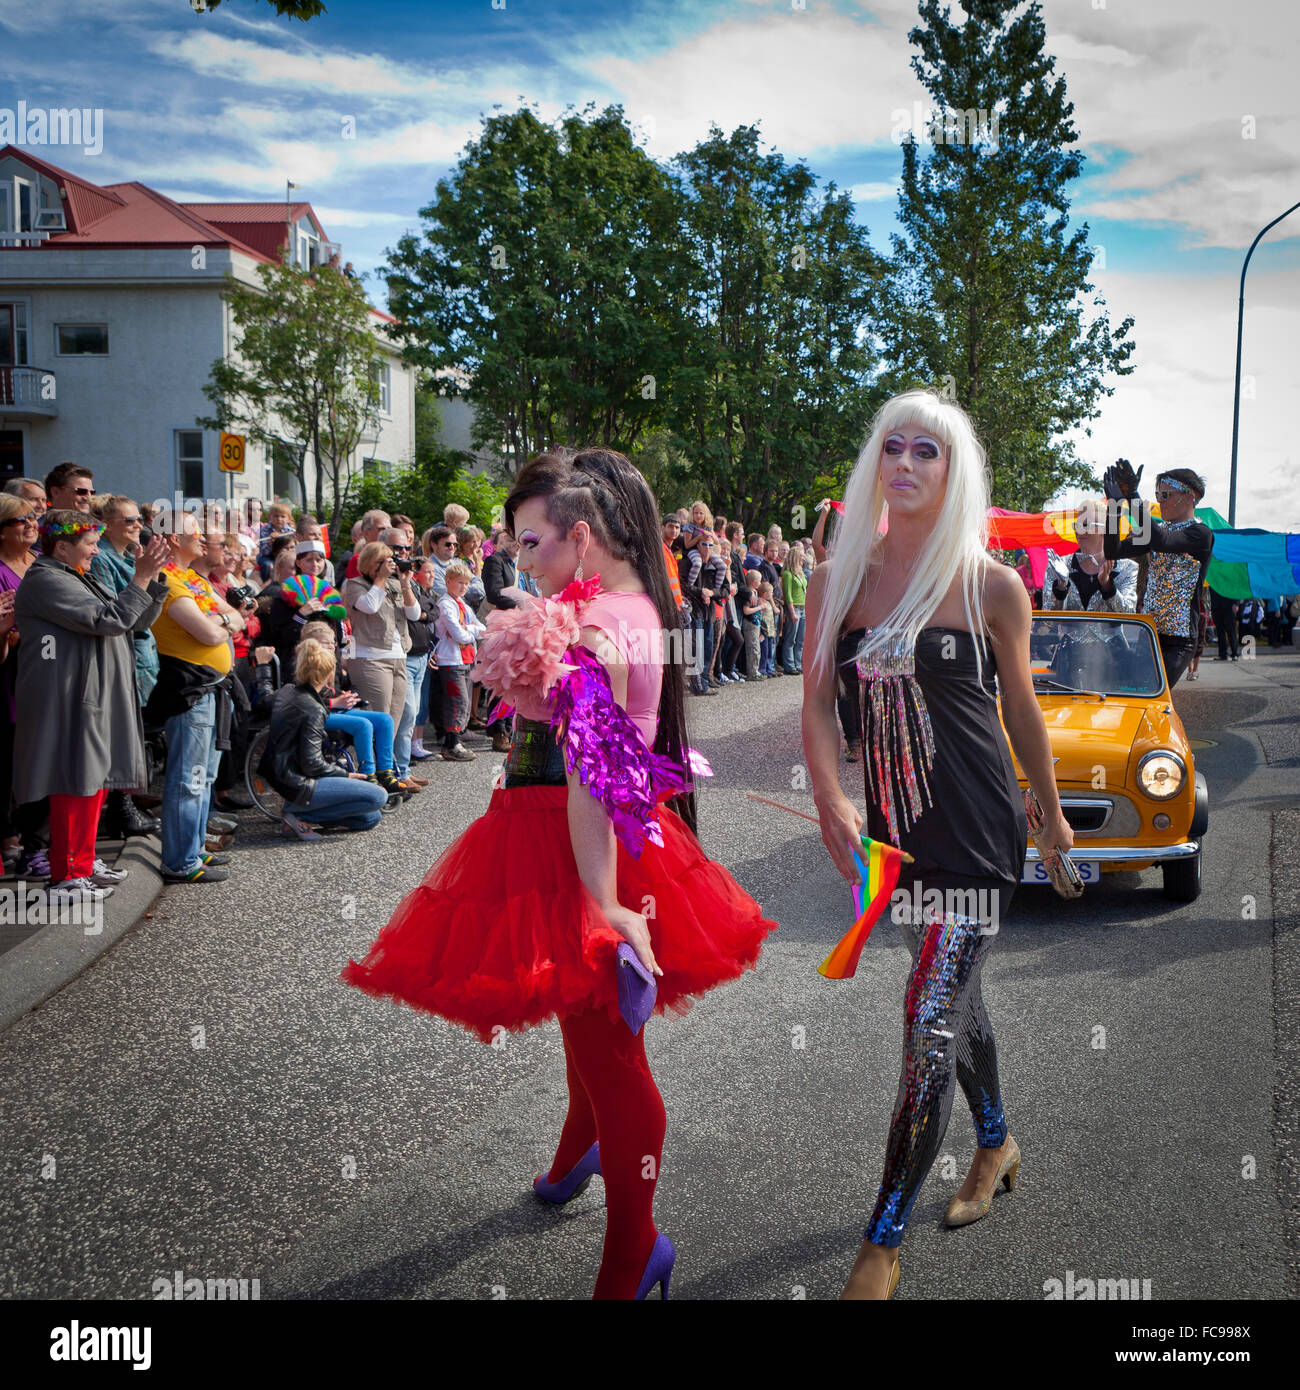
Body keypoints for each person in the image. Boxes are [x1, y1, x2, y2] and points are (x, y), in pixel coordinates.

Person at [341, 446, 778, 1299]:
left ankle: (635, 1254)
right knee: (592, 1026)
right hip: (585, 833)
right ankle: (578, 1149)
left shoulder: (595, 625)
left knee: (611, 1052)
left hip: (583, 845)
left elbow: (595, 781)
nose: (521, 558)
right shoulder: (629, 602)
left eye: (534, 541)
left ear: (583, 536)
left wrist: (606, 903)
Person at [802, 389, 1071, 1300]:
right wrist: (834, 796)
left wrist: (1053, 809)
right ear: (874, 465)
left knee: (926, 1024)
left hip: (979, 832)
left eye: (929, 451)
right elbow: (814, 704)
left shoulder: (989, 583)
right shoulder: (836, 579)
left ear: (954, 472)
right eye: (893, 448)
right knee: (951, 1001)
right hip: (898, 841)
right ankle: (996, 1143)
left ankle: (881, 1246)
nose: (907, 464)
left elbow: (1019, 708)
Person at [13, 511, 171, 899]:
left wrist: (153, 580)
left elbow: (135, 621)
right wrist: (140, 576)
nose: (95, 550)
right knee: (75, 781)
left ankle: (82, 863)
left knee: (93, 781)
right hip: (68, 698)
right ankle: (66, 875)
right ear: (62, 547)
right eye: (88, 543)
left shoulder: (77, 576)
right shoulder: (47, 579)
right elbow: (109, 620)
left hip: (94, 695)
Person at [145, 512, 246, 884]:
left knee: (205, 778)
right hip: (192, 692)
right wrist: (222, 625)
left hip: (214, 690)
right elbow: (209, 631)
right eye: (195, 533)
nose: (203, 538)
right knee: (189, 778)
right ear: (172, 538)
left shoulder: (192, 579)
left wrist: (222, 624)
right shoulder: (168, 579)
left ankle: (194, 850)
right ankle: (179, 861)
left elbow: (234, 616)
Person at [1078, 462, 1215, 687]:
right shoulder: (1158, 531)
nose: (1159, 501)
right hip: (1149, 633)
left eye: (1166, 494)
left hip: (1179, 641)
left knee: (1153, 694)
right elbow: (1115, 551)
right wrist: (1114, 506)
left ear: (1190, 496)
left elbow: (1162, 541)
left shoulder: (1200, 534)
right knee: (1133, 692)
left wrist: (1132, 495)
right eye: (1157, 494)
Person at [260, 637, 391, 839]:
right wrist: (345, 775)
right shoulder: (313, 709)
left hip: (282, 777)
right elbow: (312, 763)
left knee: (370, 818)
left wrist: (262, 667)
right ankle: (296, 814)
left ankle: (303, 814)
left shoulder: (287, 691)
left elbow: (264, 698)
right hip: (300, 783)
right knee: (379, 796)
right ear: (330, 675)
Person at [87, 495, 163, 838]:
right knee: (121, 735)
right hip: (124, 656)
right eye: (129, 521)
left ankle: (125, 802)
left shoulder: (130, 557)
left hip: (141, 655)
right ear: (107, 525)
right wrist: (146, 578)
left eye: (138, 520)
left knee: (135, 733)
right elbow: (123, 617)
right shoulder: (102, 559)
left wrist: (154, 576)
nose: (138, 526)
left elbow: (146, 617)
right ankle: (119, 806)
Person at [343, 542, 420, 793]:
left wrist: (406, 583)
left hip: (399, 656)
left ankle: (385, 770)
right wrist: (379, 580)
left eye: (390, 561)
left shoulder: (395, 584)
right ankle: (371, 772)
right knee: (379, 716)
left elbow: (414, 613)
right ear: (369, 563)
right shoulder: (356, 584)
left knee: (394, 720)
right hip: (370, 658)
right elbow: (368, 606)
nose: (388, 566)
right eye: (382, 561)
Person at [433, 559, 486, 762]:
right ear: (448, 581)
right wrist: (471, 631)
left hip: (466, 657)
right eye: (459, 582)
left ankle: (456, 738)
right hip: (451, 660)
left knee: (464, 702)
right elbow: (459, 634)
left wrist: (470, 630)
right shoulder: (445, 604)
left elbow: (480, 628)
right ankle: (451, 742)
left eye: (466, 583)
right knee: (458, 700)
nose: (463, 587)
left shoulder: (462, 604)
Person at [1045, 549, 1137, 612]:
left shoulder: (1127, 567)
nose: (1083, 532)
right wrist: (1061, 587)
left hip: (1112, 640)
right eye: (1078, 526)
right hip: (1069, 640)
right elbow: (1047, 621)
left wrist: (1107, 585)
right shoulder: (1059, 564)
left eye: (1092, 525)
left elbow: (1129, 612)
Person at [779, 539, 807, 674]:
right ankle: (790, 665)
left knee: (800, 639)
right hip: (794, 608)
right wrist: (792, 612)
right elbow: (788, 594)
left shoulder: (800, 573)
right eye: (801, 557)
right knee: (791, 637)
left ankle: (799, 663)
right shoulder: (787, 574)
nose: (803, 559)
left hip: (803, 607)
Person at [1209, 583, 1239, 661]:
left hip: (1229, 605)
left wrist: (1236, 603)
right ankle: (1223, 654)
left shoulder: (1228, 573)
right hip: (1216, 606)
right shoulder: (1212, 574)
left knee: (1231, 631)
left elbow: (1235, 587)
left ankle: (1234, 654)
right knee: (1220, 631)